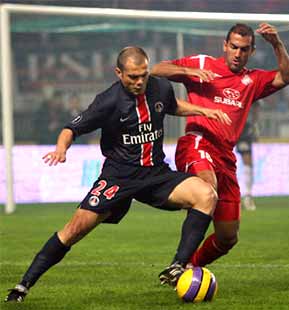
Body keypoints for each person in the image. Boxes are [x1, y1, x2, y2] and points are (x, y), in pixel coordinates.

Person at [5, 46, 232, 302]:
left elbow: (171, 105)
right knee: (73, 230)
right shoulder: (108, 101)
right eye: (133, 76)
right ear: (118, 73)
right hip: (118, 177)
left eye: (143, 75)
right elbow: (72, 129)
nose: (139, 82)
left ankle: (178, 265)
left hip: (156, 174)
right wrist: (61, 149)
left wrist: (204, 110)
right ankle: (22, 286)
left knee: (206, 195)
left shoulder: (160, 88)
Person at [151, 23, 289, 276]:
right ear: (225, 46)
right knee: (208, 186)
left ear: (251, 51)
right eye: (234, 47)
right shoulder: (203, 64)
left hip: (226, 157)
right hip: (197, 142)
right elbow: (157, 69)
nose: (238, 54)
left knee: (228, 237)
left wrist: (277, 44)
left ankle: (189, 267)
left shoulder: (252, 80)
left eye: (244, 49)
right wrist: (189, 71)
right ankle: (179, 260)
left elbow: (287, 77)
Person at [236, 101, 260, 211]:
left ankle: (247, 196)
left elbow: (257, 106)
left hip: (243, 128)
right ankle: (246, 196)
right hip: (235, 126)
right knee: (247, 162)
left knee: (248, 162)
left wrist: (254, 124)